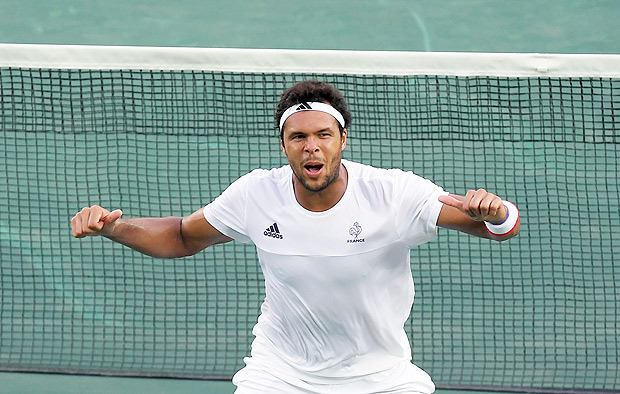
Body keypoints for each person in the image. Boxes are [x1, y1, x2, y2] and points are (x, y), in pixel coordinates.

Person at [71, 80, 520, 394]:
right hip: (280, 374)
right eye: (299, 136)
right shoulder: (256, 194)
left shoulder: (392, 193)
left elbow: (495, 225)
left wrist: (497, 214)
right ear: (283, 144)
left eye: (324, 134)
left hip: (380, 377)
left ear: (343, 139)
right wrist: (115, 228)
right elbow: (183, 236)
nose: (312, 147)